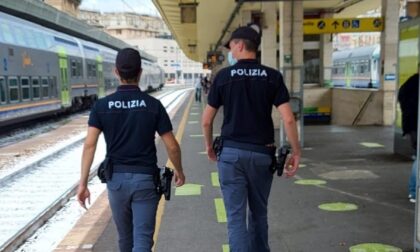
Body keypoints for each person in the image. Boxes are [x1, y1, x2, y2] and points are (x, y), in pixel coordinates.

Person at [202, 24, 301, 252]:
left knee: (235, 219)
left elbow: (207, 120)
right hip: (262, 154)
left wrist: (209, 146)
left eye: (232, 46)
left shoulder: (224, 76)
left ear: (240, 45)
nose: (230, 51)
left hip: (230, 155)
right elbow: (288, 119)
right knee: (259, 214)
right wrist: (296, 152)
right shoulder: (272, 77)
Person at [77, 48, 185, 252]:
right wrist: (179, 171)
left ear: (116, 72)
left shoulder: (101, 106)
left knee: (125, 240)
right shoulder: (153, 105)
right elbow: (172, 145)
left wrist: (83, 183)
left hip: (116, 181)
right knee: (143, 241)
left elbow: (89, 144)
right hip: (145, 180)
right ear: (140, 72)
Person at [398, 72, 419, 203]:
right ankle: (414, 191)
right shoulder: (416, 82)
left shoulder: (412, 81)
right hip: (416, 125)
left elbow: (402, 97)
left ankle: (414, 191)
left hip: (412, 125)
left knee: (418, 157)